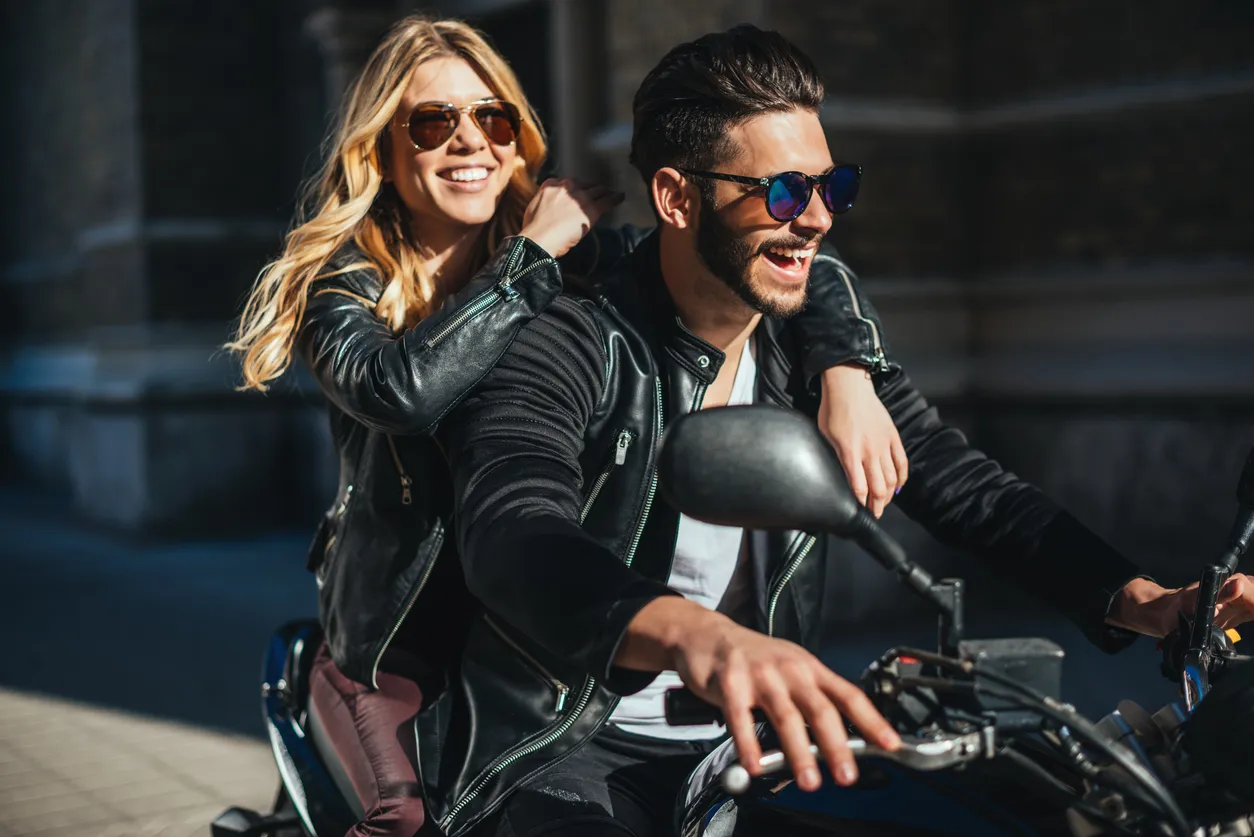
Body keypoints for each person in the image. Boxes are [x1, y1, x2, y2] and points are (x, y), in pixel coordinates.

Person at [431, 24, 1254, 837]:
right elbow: (514, 531)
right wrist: (702, 637)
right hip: (567, 747)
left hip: (756, 741)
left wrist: (1143, 599)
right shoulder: (570, 335)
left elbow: (965, 486)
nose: (819, 217)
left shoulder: (809, 342)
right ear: (678, 197)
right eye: (785, 193)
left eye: (835, 186)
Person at [226, 15, 912, 836]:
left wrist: (846, 370)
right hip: (400, 639)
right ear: (383, 146)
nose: (470, 141)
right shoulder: (347, 281)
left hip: (517, 626)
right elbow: (400, 389)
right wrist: (533, 257)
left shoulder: (567, 257)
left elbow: (770, 248)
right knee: (406, 818)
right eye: (435, 122)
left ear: (518, 142)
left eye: (494, 118)